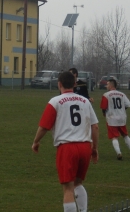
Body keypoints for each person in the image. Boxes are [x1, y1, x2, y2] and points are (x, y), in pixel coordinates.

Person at [32, 71, 99, 212]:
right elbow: (95, 126)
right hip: (85, 146)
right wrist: (94, 148)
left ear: (59, 84)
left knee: (68, 188)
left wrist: (36, 141)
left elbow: (44, 126)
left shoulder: (55, 101)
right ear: (75, 84)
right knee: (78, 183)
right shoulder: (85, 101)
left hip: (67, 148)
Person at [100, 78, 130, 160]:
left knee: (114, 137)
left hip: (112, 118)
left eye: (107, 84)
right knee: (125, 135)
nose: (106, 86)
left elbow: (103, 107)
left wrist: (104, 113)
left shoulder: (106, 95)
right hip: (122, 118)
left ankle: (119, 153)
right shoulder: (122, 94)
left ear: (111, 85)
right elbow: (127, 104)